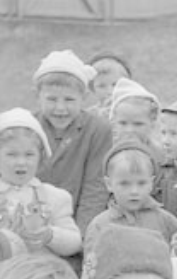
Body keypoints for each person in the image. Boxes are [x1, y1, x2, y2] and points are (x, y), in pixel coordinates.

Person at [34, 49, 112, 244]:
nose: (60, 108)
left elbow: (95, 187)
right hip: (32, 224)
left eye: (69, 100)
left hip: (74, 226)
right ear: (38, 96)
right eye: (51, 99)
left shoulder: (98, 130)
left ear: (84, 97)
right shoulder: (28, 127)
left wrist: (81, 238)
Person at [0, 108, 82, 259]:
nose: (21, 162)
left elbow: (75, 243)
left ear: (41, 157)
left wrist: (50, 235)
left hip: (39, 276)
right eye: (11, 154)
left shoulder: (54, 197)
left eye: (29, 154)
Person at [84, 139, 177, 253]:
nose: (134, 191)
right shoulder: (100, 225)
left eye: (141, 183)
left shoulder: (166, 222)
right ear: (109, 184)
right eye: (124, 184)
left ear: (151, 183)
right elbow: (91, 265)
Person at [109, 77, 162, 150]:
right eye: (123, 123)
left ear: (152, 123)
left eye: (138, 124)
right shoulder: (104, 151)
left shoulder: (161, 156)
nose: (129, 130)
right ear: (113, 122)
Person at [88, 52, 132, 117]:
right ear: (92, 89)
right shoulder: (90, 115)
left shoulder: (134, 109)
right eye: (101, 86)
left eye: (115, 84)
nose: (110, 91)